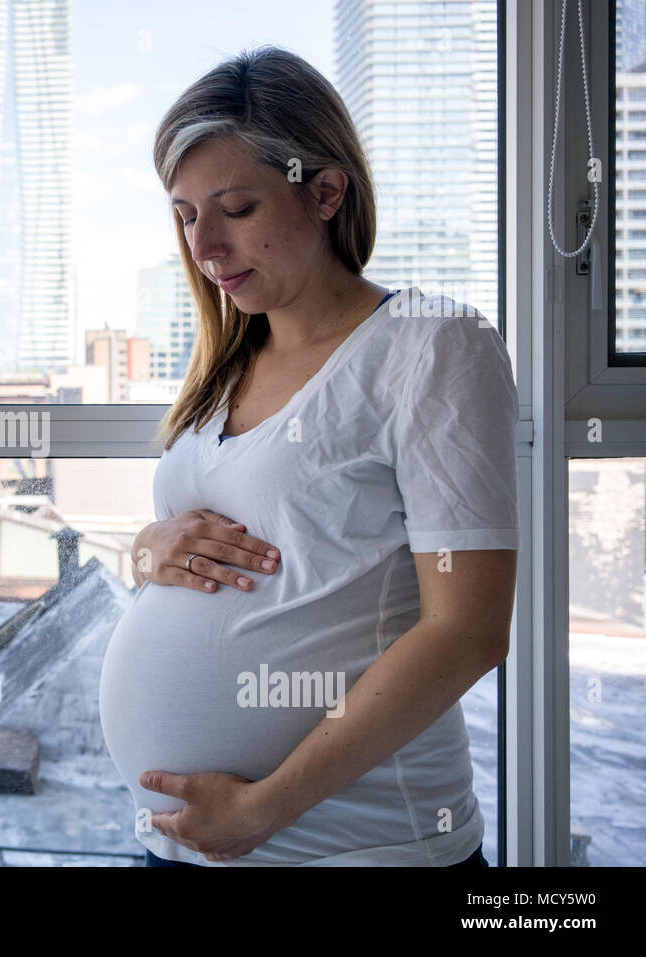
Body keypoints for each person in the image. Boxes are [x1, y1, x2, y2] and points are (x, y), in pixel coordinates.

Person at [97, 45, 518, 867]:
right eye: (184, 214)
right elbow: (212, 553)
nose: (205, 246)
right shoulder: (224, 364)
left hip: (352, 849)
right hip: (186, 844)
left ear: (326, 190)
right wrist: (147, 550)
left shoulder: (431, 345)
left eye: (236, 208)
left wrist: (261, 808)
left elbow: (467, 631)